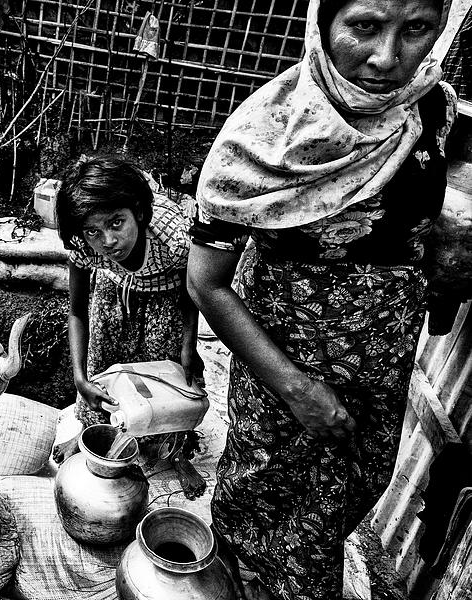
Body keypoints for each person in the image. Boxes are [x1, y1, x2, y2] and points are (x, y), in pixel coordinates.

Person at [186, 1, 456, 598]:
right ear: (322, 24)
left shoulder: (433, 111)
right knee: (260, 512)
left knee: (342, 505)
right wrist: (296, 390)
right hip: (286, 372)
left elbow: (434, 216)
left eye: (416, 30)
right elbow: (205, 283)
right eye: (364, 26)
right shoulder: (261, 140)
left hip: (380, 372)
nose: (387, 58)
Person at [54, 157, 203, 462]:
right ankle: (90, 434)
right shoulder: (82, 247)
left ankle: (174, 452)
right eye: (93, 231)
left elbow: (193, 291)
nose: (108, 240)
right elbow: (77, 312)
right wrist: (80, 379)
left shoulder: (173, 238)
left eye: (116, 223)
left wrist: (189, 345)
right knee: (103, 370)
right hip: (112, 296)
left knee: (164, 377)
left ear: (137, 211)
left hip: (165, 301)